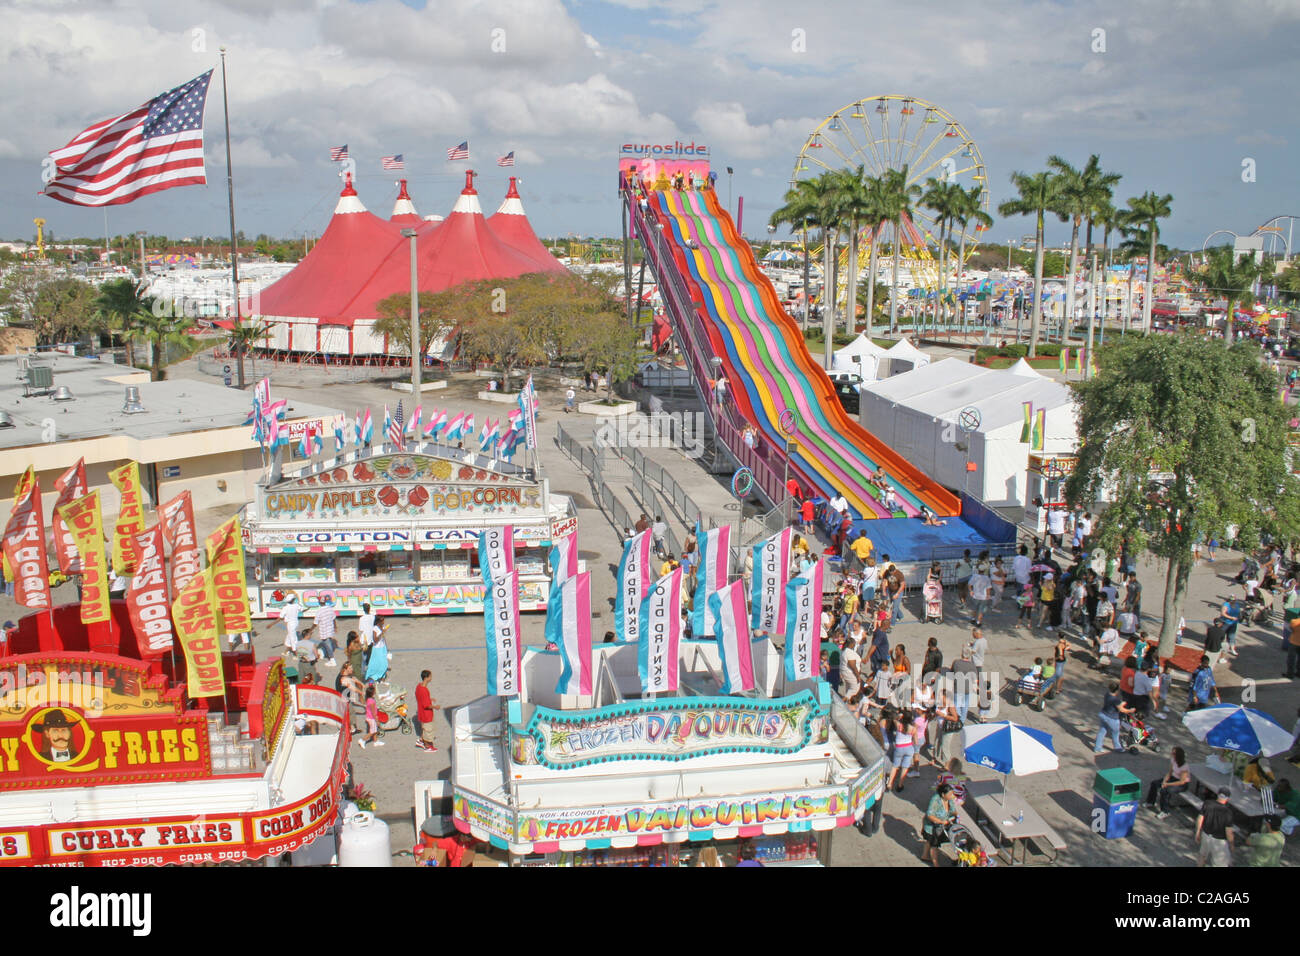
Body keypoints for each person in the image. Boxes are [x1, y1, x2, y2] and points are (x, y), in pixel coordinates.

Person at [1144, 747, 1191, 817]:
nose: (1172, 754)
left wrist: (1167, 784)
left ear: (1178, 755)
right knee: (1154, 783)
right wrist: (1164, 781)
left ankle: (1165, 811)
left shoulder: (1184, 767)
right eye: (1172, 753)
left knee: (1165, 791)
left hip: (1182, 784)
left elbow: (1182, 782)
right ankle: (1150, 802)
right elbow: (1170, 772)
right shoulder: (1173, 760)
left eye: (1174, 753)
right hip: (1173, 778)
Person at [920, 783, 958, 867]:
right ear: (943, 794)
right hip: (933, 826)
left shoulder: (949, 799)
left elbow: (953, 810)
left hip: (943, 824)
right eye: (950, 794)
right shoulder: (935, 800)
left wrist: (956, 815)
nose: (952, 796)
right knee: (934, 844)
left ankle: (925, 855)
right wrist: (941, 822)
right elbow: (930, 815)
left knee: (929, 841)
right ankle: (936, 864)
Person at [1195, 788, 1235, 867]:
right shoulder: (1228, 812)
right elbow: (1229, 832)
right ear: (1228, 798)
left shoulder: (1207, 803)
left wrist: (1198, 832)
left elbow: (1200, 819)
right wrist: (1231, 844)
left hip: (1206, 835)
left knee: (1202, 856)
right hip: (1219, 841)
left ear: (1217, 794)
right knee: (1220, 864)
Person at [1095, 681, 1135, 754]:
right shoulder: (1115, 700)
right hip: (1112, 718)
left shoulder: (1107, 694)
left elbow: (1117, 704)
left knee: (1102, 731)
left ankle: (1097, 748)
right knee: (1115, 733)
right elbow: (1122, 710)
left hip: (1103, 715)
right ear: (1117, 690)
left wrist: (1123, 703)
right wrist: (1130, 710)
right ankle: (1118, 748)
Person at [412, 669, 440, 753]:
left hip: (421, 713)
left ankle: (421, 740)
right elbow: (426, 705)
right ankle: (427, 746)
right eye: (430, 676)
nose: (431, 678)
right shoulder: (424, 690)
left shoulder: (419, 686)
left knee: (425, 729)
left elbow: (419, 697)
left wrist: (429, 699)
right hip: (426, 715)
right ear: (426, 678)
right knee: (429, 731)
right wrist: (435, 707)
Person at [309, 595, 340, 666]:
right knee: (329, 642)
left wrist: (310, 630)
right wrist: (335, 627)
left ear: (319, 603)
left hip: (324, 630)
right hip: (330, 629)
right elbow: (333, 618)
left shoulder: (319, 611)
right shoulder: (330, 608)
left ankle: (332, 659)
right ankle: (327, 654)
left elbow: (315, 623)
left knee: (327, 644)